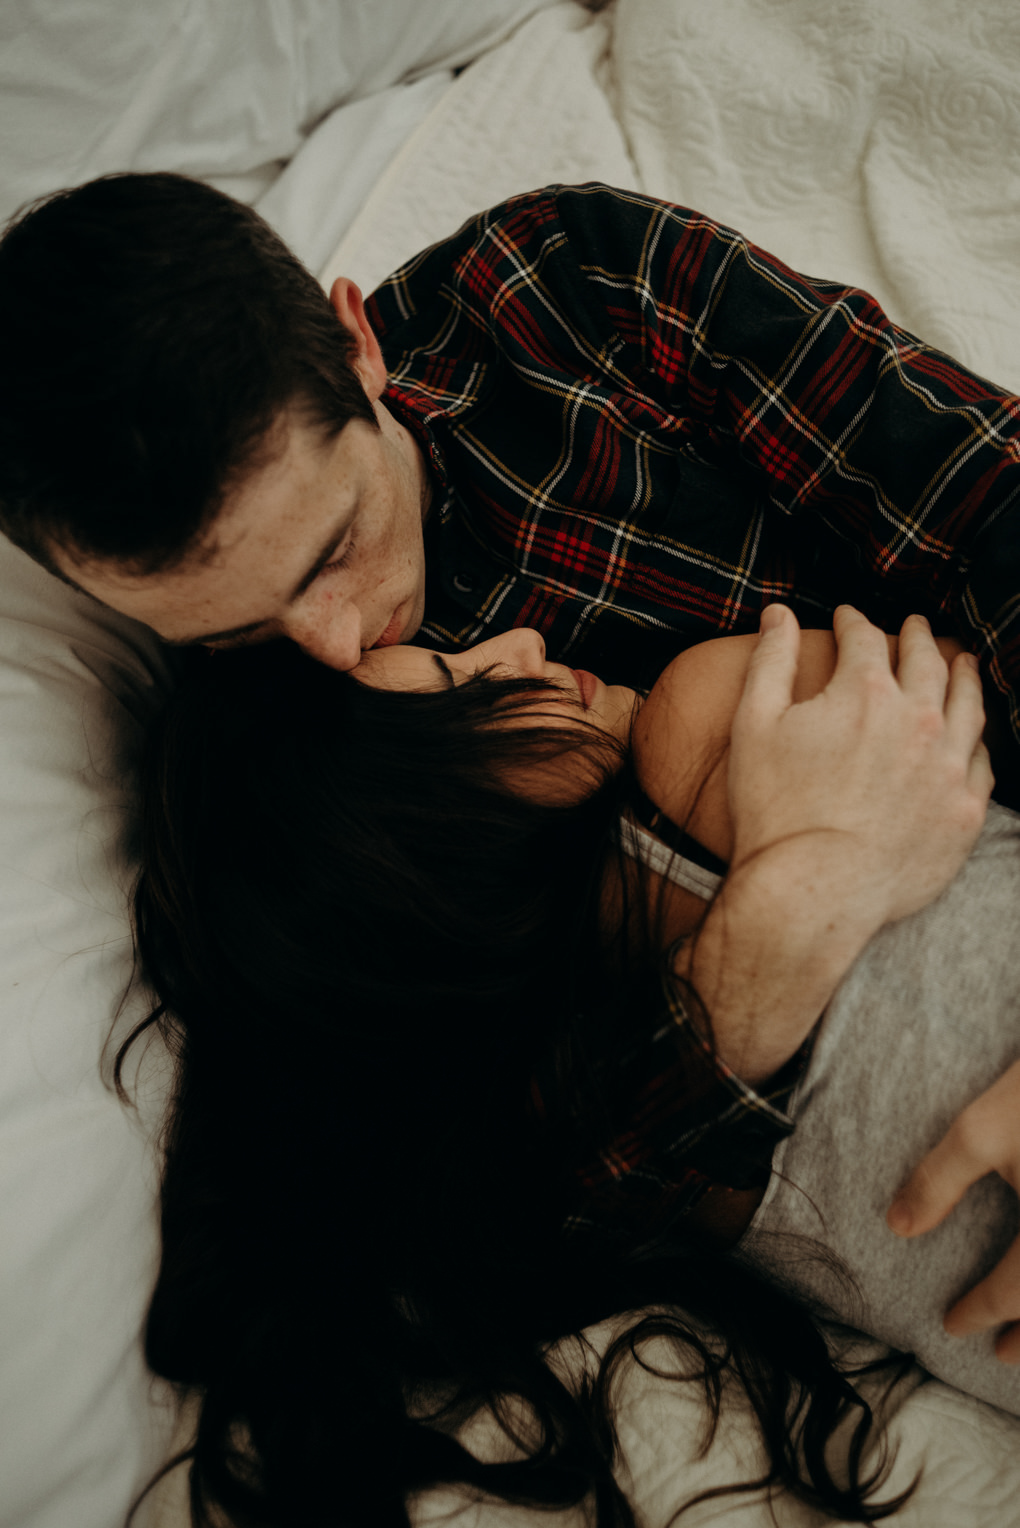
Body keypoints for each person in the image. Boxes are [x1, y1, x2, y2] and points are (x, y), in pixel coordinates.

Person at [1, 170, 1019, 1367]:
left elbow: (987, 512)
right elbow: (488, 1214)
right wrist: (788, 926)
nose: (331, 647)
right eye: (228, 633)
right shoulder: (275, 763)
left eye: (335, 550)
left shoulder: (564, 294)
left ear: (354, 343)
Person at [123, 602, 997, 1527]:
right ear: (417, 847)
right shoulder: (698, 733)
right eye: (467, 687)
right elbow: (939, 679)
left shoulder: (577, 1165)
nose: (524, 643)